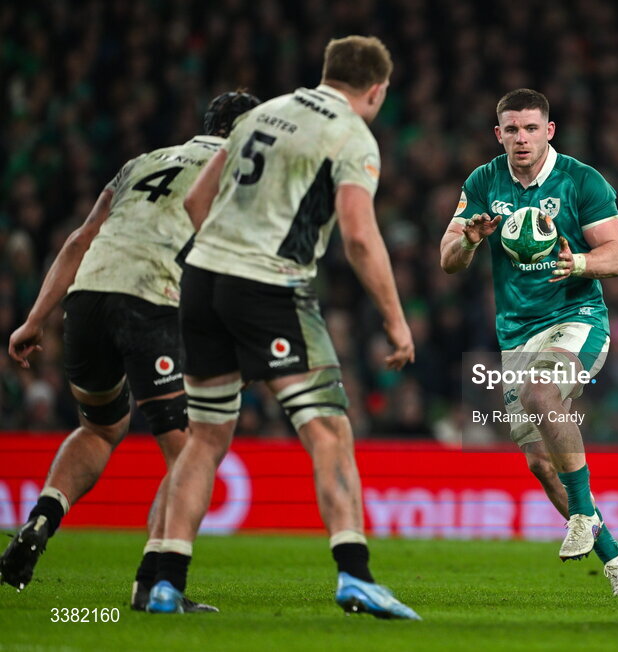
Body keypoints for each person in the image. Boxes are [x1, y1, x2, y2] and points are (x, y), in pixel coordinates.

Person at [145, 36, 419, 620]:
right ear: (377, 90)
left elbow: (197, 201)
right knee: (328, 430)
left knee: (206, 437)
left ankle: (166, 581)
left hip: (201, 279)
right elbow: (361, 236)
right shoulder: (352, 135)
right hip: (269, 285)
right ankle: (355, 574)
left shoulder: (263, 112)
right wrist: (397, 323)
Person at [1, 92, 260, 613]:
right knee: (190, 453)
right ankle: (155, 584)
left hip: (87, 300)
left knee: (100, 426)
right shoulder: (237, 169)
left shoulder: (142, 163)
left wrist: (34, 319)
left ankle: (41, 521)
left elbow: (80, 239)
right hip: (150, 300)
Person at [439, 89, 618, 594]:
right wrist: (471, 238)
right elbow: (448, 259)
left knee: (540, 393)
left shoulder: (582, 181)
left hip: (578, 316)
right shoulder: (484, 181)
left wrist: (581, 263)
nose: (521, 138)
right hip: (517, 332)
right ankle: (617, 557)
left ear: (549, 131)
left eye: (530, 128)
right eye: (511, 129)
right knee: (541, 465)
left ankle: (584, 517)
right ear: (498, 133)